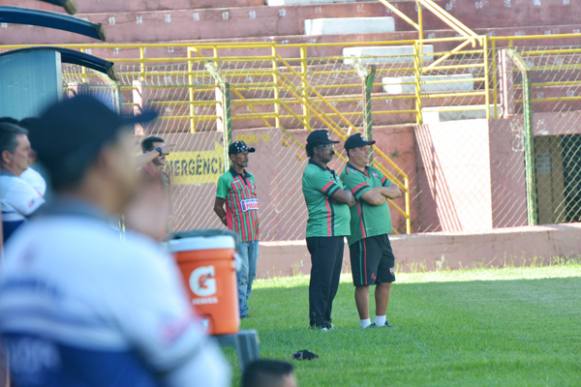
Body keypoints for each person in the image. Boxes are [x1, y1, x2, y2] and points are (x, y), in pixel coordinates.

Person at [0, 95, 230, 386]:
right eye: (126, 149)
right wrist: (148, 248)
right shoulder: (124, 260)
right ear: (106, 159)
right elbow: (205, 377)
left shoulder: (19, 254)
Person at [340, 133, 401, 329]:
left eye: (368, 148)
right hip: (364, 235)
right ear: (351, 152)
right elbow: (373, 200)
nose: (368, 152)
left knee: (386, 278)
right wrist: (382, 192)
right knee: (364, 282)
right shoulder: (349, 175)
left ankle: (381, 322)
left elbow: (397, 190)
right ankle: (365, 324)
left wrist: (380, 191)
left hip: (382, 233)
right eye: (363, 148)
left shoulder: (373, 172)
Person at [302, 130, 355, 331]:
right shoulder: (314, 173)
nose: (331, 150)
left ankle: (325, 319)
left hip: (334, 232)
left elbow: (346, 196)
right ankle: (317, 321)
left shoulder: (327, 171)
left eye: (331, 146)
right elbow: (345, 197)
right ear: (316, 150)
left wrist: (347, 195)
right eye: (327, 147)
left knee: (331, 281)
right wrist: (347, 196)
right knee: (322, 280)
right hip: (323, 232)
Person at [213, 141, 259, 319]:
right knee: (242, 274)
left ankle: (241, 304)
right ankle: (240, 310)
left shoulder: (251, 178)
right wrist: (228, 222)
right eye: (242, 154)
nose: (246, 156)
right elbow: (217, 206)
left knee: (251, 273)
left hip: (254, 235)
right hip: (239, 236)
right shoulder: (225, 179)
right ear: (232, 157)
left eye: (247, 153)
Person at [0, 122, 45, 242]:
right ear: (7, 157)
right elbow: (52, 221)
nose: (31, 153)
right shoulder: (12, 185)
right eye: (26, 149)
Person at [124, 135, 171, 241]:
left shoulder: (163, 177)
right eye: (160, 151)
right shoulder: (136, 176)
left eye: (164, 150)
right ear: (149, 154)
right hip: (138, 235)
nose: (164, 154)